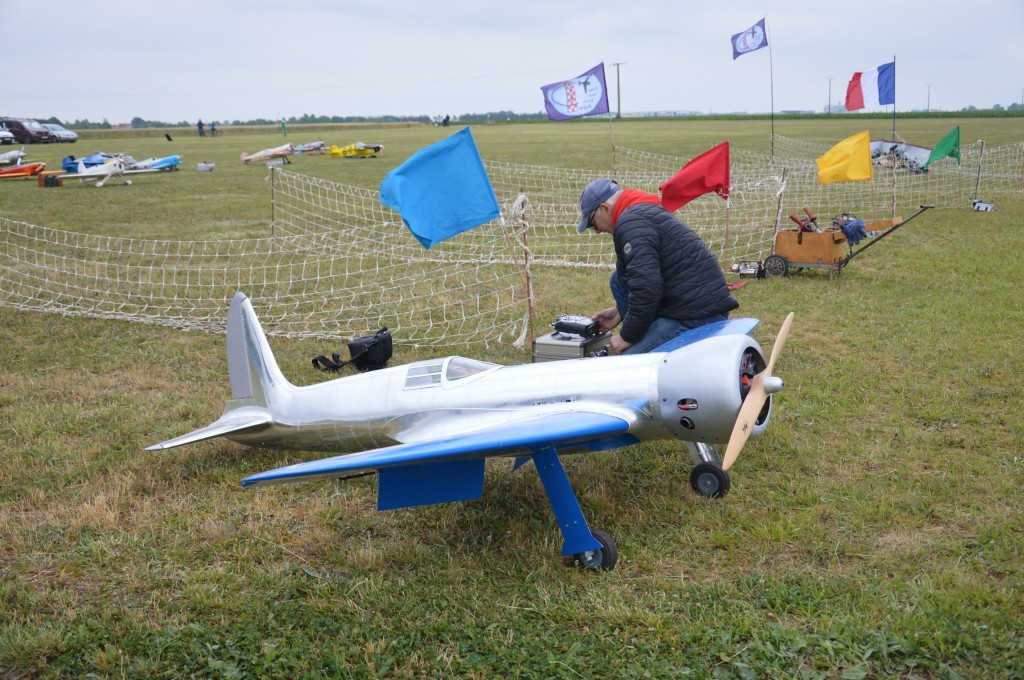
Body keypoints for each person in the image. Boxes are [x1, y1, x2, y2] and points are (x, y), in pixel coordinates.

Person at [579, 178, 739, 355]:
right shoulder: (642, 212)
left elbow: (647, 288)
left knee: (626, 364)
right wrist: (619, 312)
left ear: (605, 208)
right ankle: (649, 330)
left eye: (593, 224)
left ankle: (650, 336)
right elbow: (646, 277)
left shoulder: (631, 223)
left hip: (696, 316)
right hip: (691, 304)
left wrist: (627, 337)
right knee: (618, 280)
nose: (598, 231)